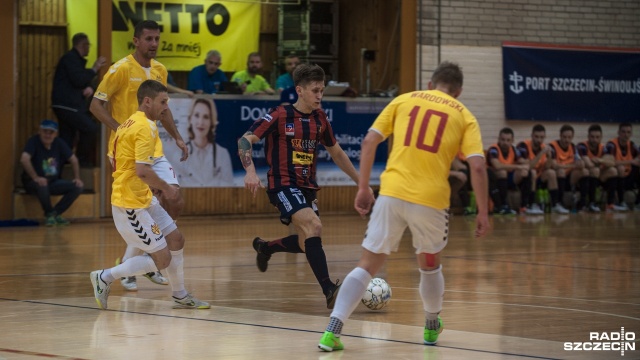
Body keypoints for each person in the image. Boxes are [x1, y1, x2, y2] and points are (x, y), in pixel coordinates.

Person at [317, 61, 490, 352]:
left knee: (368, 264)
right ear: (458, 91)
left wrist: (362, 187)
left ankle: (331, 331)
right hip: (431, 201)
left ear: (431, 84)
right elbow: (478, 166)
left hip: (392, 193)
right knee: (429, 265)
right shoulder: (463, 115)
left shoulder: (403, 100)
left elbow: (370, 141)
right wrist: (483, 211)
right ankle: (432, 325)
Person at [238, 64, 363, 309]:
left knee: (309, 240)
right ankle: (329, 289)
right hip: (282, 184)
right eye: (315, 90)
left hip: (307, 187)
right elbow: (245, 139)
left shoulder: (320, 118)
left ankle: (266, 247)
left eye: (322, 90)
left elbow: (336, 152)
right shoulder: (279, 115)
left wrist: (361, 183)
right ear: (300, 90)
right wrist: (250, 171)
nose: (319, 96)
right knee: (314, 225)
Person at [90, 80, 209, 310]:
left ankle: (180, 294)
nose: (166, 108)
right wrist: (166, 187)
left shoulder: (132, 123)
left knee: (176, 240)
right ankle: (104, 276)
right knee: (162, 259)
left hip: (142, 198)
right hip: (129, 205)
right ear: (147, 101)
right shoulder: (144, 127)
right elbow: (142, 171)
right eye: (162, 102)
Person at [90, 20, 188, 291]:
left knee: (174, 197)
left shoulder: (160, 70)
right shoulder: (120, 69)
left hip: (152, 149)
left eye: (157, 39)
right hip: (125, 152)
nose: (154, 44)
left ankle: (147, 256)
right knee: (142, 205)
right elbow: (95, 105)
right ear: (136, 40)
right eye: (148, 39)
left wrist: (178, 138)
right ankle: (136, 265)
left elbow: (164, 109)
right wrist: (119, 129)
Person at [51, 33, 106, 167]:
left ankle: (61, 167)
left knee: (67, 136)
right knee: (90, 128)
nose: (89, 48)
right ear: (83, 45)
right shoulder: (71, 59)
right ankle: (81, 161)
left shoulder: (70, 59)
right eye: (88, 45)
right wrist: (94, 69)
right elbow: (79, 79)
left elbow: (75, 80)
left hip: (63, 105)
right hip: (69, 105)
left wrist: (86, 87)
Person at [20, 119, 84, 226]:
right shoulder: (33, 141)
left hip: (53, 182)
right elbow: (24, 159)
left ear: (56, 134)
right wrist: (35, 178)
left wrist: (77, 177)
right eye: (45, 131)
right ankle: (49, 213)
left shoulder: (58, 142)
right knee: (42, 184)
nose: (48, 135)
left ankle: (54, 214)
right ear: (39, 131)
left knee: (77, 187)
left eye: (51, 132)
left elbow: (74, 160)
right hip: (33, 183)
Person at [174, 98, 234, 187]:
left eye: (206, 117)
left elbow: (229, 186)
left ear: (211, 122)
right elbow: (175, 185)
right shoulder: (178, 153)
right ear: (190, 119)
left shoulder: (222, 154)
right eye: (197, 115)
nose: (200, 122)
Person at [516, 124, 567, 214]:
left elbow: (547, 167)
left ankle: (555, 205)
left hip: (538, 176)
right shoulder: (523, 146)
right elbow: (529, 167)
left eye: (541, 137)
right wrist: (541, 153)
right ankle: (531, 204)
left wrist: (550, 157)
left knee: (551, 173)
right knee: (532, 172)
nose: (539, 140)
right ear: (532, 135)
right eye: (536, 137)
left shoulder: (545, 147)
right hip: (523, 176)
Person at [486, 127, 531, 215]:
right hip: (492, 178)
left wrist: (525, 166)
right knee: (502, 172)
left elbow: (524, 162)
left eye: (508, 140)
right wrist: (518, 167)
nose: (505, 143)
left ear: (512, 141)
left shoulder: (514, 149)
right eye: (503, 140)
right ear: (498, 139)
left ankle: (524, 206)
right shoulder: (493, 149)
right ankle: (503, 205)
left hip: (508, 177)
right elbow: (497, 166)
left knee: (525, 173)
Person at [576, 124, 617, 212]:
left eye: (597, 137)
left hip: (598, 175)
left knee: (613, 171)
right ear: (588, 137)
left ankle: (610, 203)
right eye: (592, 137)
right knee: (594, 170)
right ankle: (591, 203)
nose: (594, 139)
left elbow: (613, 162)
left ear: (601, 137)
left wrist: (600, 160)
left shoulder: (603, 148)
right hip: (584, 177)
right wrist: (604, 162)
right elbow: (589, 164)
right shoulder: (582, 146)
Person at [548, 125, 586, 212]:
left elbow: (580, 162)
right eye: (564, 137)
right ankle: (559, 203)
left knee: (584, 171)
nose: (567, 140)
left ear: (572, 137)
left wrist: (580, 163)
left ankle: (583, 203)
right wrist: (572, 166)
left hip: (569, 177)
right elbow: (555, 165)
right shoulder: (552, 146)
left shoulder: (573, 147)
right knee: (561, 171)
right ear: (560, 136)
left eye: (569, 137)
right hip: (556, 178)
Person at [605, 123, 640, 211]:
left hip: (628, 177)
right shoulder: (611, 145)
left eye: (628, 132)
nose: (626, 134)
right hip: (613, 178)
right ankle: (620, 201)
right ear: (618, 132)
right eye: (623, 132)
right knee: (620, 168)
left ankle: (638, 203)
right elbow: (609, 162)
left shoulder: (632, 145)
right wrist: (630, 161)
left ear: (631, 134)